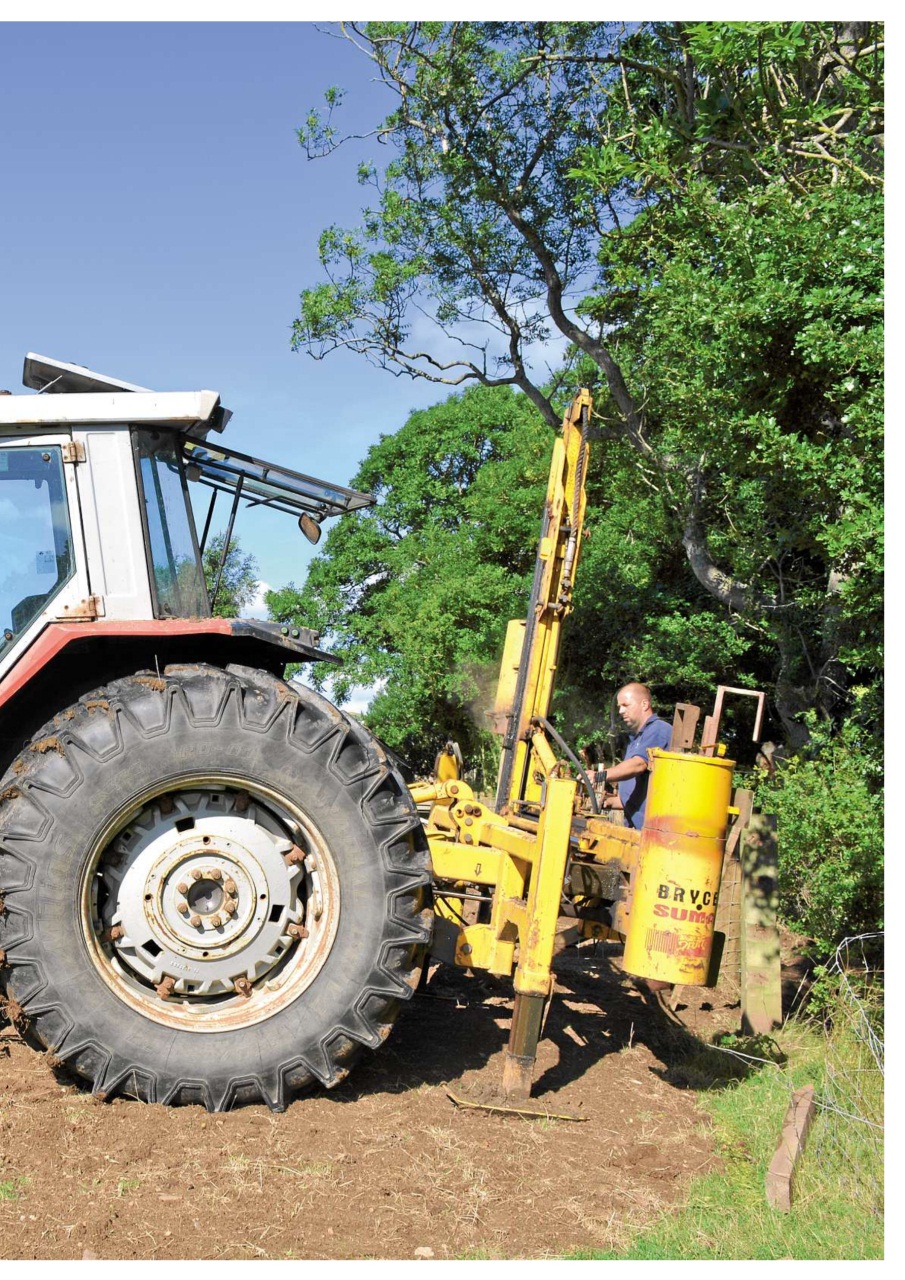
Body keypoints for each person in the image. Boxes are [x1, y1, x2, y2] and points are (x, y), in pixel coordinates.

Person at [597, 683, 672, 830]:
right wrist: (611, 801)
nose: (621, 711)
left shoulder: (659, 729)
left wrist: (599, 776)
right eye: (619, 706)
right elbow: (638, 793)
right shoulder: (636, 740)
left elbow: (639, 764)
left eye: (625, 705)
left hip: (653, 831)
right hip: (636, 828)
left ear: (645, 704)